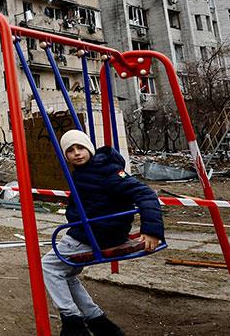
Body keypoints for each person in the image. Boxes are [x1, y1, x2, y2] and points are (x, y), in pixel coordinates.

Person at [42, 129, 164, 336]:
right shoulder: (86, 171)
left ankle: (72, 322)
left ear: (89, 148)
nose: (77, 153)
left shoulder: (107, 172)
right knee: (67, 275)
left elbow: (145, 193)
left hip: (96, 234)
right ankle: (98, 321)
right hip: (95, 231)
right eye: (70, 151)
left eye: (80, 147)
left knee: (47, 265)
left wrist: (152, 231)